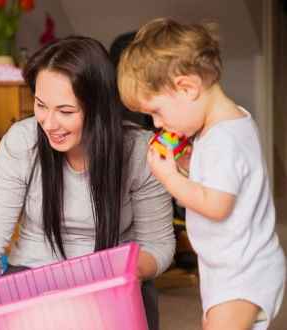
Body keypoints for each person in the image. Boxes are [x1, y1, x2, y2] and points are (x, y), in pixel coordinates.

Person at [0, 36, 175, 329]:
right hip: (32, 275)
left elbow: (159, 244)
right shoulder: (22, 141)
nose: (49, 123)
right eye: (40, 105)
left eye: (66, 111)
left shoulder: (139, 150)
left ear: (99, 108)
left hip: (112, 283)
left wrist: (122, 273)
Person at [118, 18, 285, 330]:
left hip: (243, 271)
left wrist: (170, 177)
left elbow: (217, 205)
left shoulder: (224, 140)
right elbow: (224, 183)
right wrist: (190, 164)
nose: (156, 124)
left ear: (187, 87)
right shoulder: (222, 128)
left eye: (157, 111)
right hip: (227, 266)